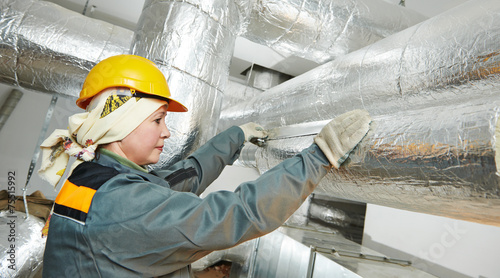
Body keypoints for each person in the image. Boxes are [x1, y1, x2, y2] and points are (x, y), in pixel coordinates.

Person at [38, 54, 371, 277]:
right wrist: (318, 158)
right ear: (120, 124)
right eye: (158, 120)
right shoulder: (122, 205)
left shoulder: (96, 179)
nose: (166, 131)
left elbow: (180, 179)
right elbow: (233, 215)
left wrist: (234, 138)